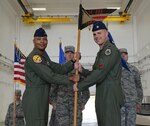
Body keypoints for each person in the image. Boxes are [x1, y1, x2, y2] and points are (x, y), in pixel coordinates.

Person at [73, 21, 124, 126]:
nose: (96, 36)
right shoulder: (101, 52)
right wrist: (82, 70)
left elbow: (100, 73)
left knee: (110, 122)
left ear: (106, 33)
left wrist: (80, 86)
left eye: (99, 33)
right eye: (94, 34)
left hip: (110, 94)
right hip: (102, 92)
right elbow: (95, 73)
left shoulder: (109, 50)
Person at [22, 28, 77, 126]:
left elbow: (60, 69)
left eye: (44, 39)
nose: (42, 42)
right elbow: (50, 76)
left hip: (42, 97)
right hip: (35, 98)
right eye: (39, 39)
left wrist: (72, 61)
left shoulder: (44, 58)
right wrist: (70, 79)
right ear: (33, 41)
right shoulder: (35, 57)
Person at [49, 45, 90, 126]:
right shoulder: (59, 69)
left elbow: (85, 89)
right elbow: (52, 88)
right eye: (67, 53)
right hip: (62, 106)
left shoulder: (79, 69)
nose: (69, 54)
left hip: (75, 106)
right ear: (64, 54)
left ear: (74, 55)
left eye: (72, 53)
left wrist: (82, 103)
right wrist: (54, 103)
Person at [119, 48, 143, 126]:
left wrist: (139, 102)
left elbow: (139, 86)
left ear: (127, 56)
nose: (123, 56)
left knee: (131, 124)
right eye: (121, 54)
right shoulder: (115, 70)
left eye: (125, 54)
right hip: (119, 103)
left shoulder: (133, 69)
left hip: (132, 103)